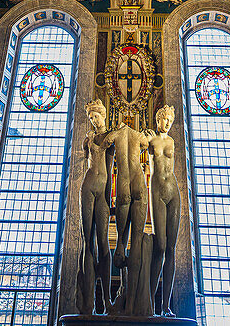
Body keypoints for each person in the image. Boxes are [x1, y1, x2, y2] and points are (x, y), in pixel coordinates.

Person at [104, 121, 153, 314]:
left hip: (123, 183)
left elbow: (104, 143)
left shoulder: (115, 135)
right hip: (139, 181)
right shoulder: (139, 136)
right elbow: (148, 142)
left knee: (121, 244)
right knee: (138, 242)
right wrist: (147, 136)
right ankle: (132, 301)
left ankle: (123, 295)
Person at [77, 100, 114, 315]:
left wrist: (109, 199)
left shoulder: (110, 139)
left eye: (96, 116)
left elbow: (109, 171)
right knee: (87, 241)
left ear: (103, 114)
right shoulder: (88, 139)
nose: (93, 120)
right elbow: (86, 162)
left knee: (103, 244)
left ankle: (107, 299)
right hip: (88, 186)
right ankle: (87, 302)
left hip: (102, 191)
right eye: (91, 118)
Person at [148, 105, 181, 316]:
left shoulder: (172, 141)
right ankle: (150, 302)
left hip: (173, 191)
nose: (167, 123)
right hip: (157, 189)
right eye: (164, 119)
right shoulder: (150, 139)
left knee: (171, 249)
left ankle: (165, 305)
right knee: (159, 246)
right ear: (158, 119)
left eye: (170, 119)